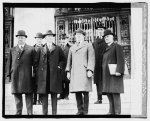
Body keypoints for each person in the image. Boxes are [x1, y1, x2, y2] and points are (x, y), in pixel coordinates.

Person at [35, 30, 66, 115]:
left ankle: (54, 114)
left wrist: (59, 67)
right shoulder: (40, 49)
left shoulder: (58, 48)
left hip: (54, 76)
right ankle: (44, 115)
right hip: (44, 77)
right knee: (44, 97)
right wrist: (39, 72)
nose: (49, 38)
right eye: (48, 36)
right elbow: (36, 62)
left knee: (54, 96)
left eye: (51, 36)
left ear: (53, 37)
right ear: (45, 38)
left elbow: (63, 60)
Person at [66, 28, 95, 115]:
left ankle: (85, 111)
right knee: (77, 91)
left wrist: (90, 69)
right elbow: (69, 61)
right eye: (76, 35)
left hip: (84, 71)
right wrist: (68, 71)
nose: (78, 37)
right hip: (75, 72)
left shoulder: (88, 45)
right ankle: (79, 110)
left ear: (83, 36)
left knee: (85, 91)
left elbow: (91, 58)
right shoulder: (72, 47)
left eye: (80, 35)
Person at [6, 30, 35, 115]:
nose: (20, 39)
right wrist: (9, 75)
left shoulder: (31, 49)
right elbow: (9, 64)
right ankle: (18, 113)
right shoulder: (12, 50)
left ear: (25, 38)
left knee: (29, 95)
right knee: (17, 95)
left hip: (27, 77)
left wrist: (34, 75)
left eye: (22, 37)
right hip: (16, 76)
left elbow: (35, 63)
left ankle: (30, 113)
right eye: (18, 37)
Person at [102, 29, 125, 115]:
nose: (106, 38)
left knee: (115, 94)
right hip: (107, 75)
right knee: (109, 93)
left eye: (108, 36)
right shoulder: (106, 48)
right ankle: (111, 111)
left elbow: (121, 59)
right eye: (105, 37)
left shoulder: (117, 46)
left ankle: (117, 112)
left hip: (115, 74)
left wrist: (119, 71)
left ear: (112, 37)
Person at [92, 25, 107, 104]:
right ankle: (99, 98)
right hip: (97, 65)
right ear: (97, 31)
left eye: (101, 29)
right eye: (99, 30)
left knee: (106, 80)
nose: (100, 31)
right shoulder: (94, 42)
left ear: (104, 31)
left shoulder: (107, 40)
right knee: (98, 82)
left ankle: (109, 96)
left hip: (105, 64)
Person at [57, 34, 71, 100]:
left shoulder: (70, 47)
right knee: (61, 81)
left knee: (67, 82)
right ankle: (61, 95)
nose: (63, 41)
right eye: (62, 39)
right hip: (61, 67)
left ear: (67, 40)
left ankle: (66, 95)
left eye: (64, 39)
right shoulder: (58, 47)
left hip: (67, 66)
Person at [33, 32, 43, 105]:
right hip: (34, 70)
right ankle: (34, 99)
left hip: (42, 70)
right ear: (35, 39)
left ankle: (41, 99)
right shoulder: (32, 48)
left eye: (40, 39)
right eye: (38, 39)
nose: (39, 40)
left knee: (41, 85)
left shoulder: (44, 48)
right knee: (34, 85)